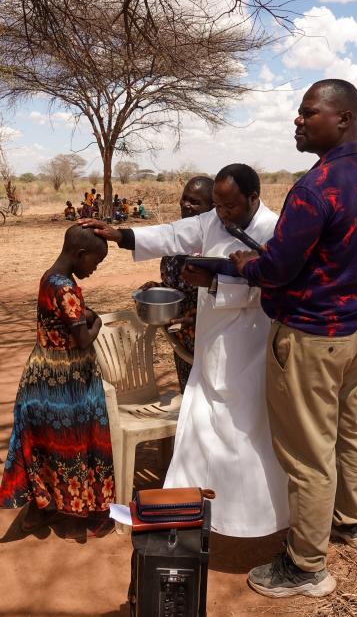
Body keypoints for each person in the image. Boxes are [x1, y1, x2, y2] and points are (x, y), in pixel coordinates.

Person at [231, 80, 357, 597]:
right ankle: (352, 523)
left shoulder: (314, 187)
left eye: (308, 113)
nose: (297, 121)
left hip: (311, 339)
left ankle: (305, 566)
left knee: (308, 454)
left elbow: (276, 269)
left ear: (343, 118)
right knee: (352, 428)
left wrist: (245, 265)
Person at [82, 164, 289, 538]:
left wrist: (214, 283)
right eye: (217, 206)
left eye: (229, 207)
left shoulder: (274, 231)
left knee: (244, 432)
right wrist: (120, 234)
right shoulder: (213, 221)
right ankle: (194, 509)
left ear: (253, 198)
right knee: (198, 425)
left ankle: (250, 520)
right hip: (212, 344)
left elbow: (271, 290)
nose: (221, 215)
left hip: (249, 345)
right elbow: (173, 234)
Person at [0, 225, 115, 534]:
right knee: (80, 439)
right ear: (80, 255)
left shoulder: (50, 278)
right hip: (68, 379)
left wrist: (83, 312)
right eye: (95, 262)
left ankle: (44, 504)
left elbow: (65, 315)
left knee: (43, 442)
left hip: (41, 374)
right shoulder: (66, 288)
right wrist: (99, 321)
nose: (94, 269)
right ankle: (90, 510)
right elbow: (82, 339)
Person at [157, 176, 213, 392]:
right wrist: (156, 287)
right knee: (188, 393)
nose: (186, 205)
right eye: (185, 199)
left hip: (205, 334)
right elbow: (173, 283)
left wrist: (195, 318)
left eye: (195, 202)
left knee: (207, 397)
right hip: (180, 335)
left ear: (212, 208)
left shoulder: (214, 245)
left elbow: (227, 291)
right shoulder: (176, 237)